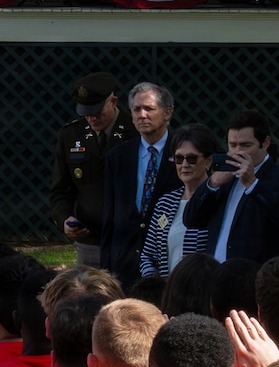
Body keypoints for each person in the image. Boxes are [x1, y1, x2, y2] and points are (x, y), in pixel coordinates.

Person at [49, 72, 134, 265]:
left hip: (129, 239)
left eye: (97, 111)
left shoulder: (135, 131)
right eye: (86, 113)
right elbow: (61, 190)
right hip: (90, 240)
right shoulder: (70, 135)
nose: (92, 118)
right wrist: (65, 219)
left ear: (113, 102)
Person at [102, 82, 180, 286]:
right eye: (136, 109)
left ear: (167, 112)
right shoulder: (117, 157)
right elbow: (109, 218)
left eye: (149, 109)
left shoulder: (184, 155)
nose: (142, 115)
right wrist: (105, 270)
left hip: (167, 262)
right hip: (125, 264)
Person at [183, 109, 279, 265]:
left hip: (256, 279)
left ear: (265, 143)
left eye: (246, 145)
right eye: (232, 145)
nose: (237, 152)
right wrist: (212, 185)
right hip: (217, 277)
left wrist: (252, 184)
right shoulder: (225, 177)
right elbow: (191, 219)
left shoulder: (274, 177)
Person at [140, 123, 217, 277]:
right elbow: (147, 256)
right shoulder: (165, 203)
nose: (185, 165)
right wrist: (156, 287)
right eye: (179, 158)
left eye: (192, 158)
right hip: (168, 295)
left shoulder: (218, 200)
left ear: (208, 161)